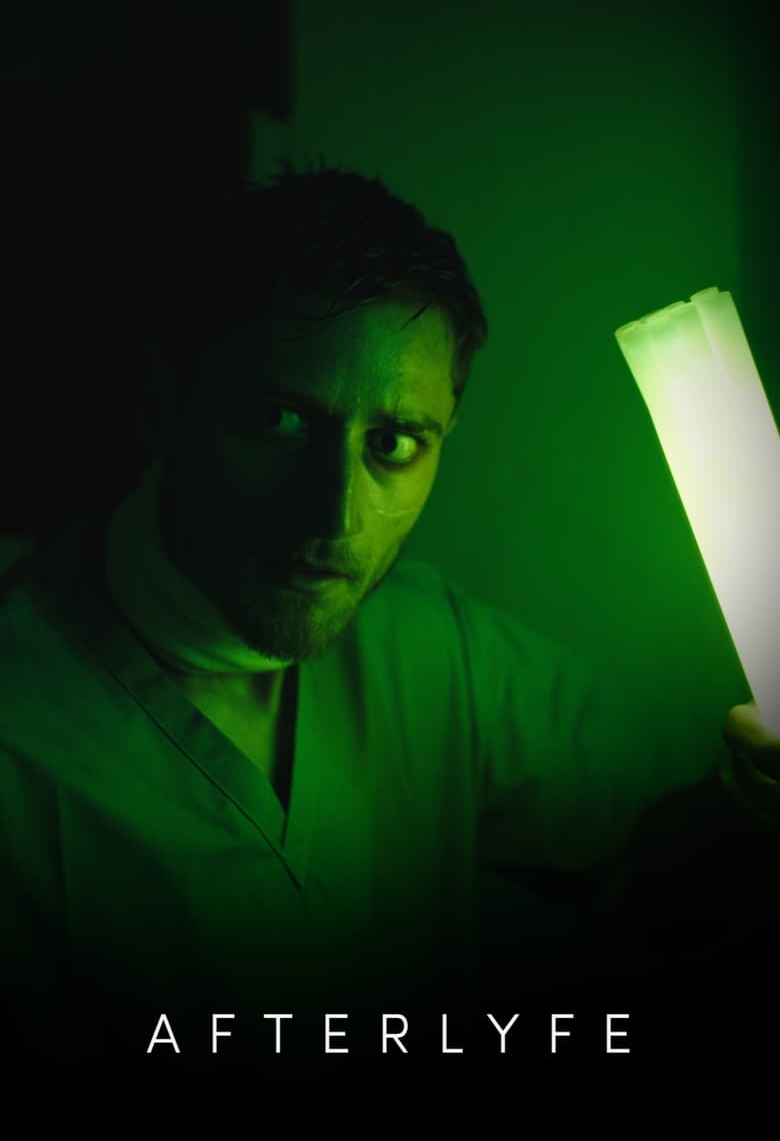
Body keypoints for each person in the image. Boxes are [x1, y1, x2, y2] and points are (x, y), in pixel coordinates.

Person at [1, 162, 778, 1066]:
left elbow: (653, 879)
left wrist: (751, 801)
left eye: (394, 443)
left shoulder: (431, 645)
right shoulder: (24, 727)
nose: (334, 518)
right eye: (279, 421)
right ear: (168, 400)